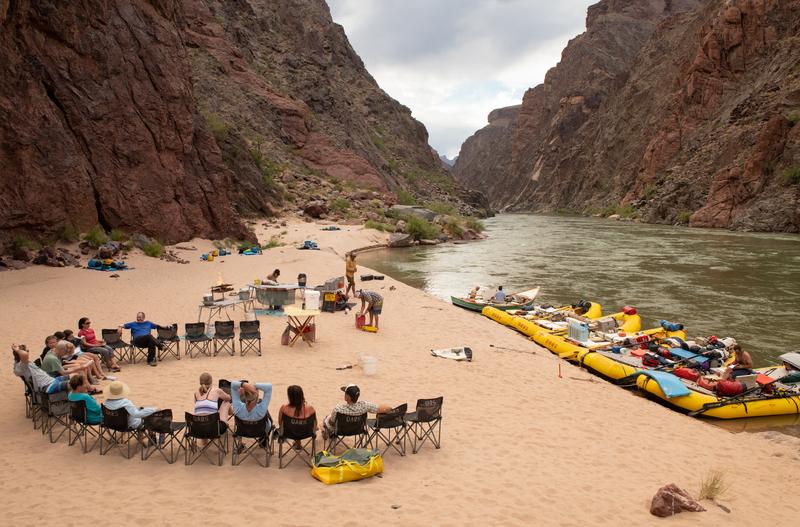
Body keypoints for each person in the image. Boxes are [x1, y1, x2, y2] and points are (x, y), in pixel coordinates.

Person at [322, 384, 390, 439]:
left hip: (341, 431)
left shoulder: (338, 409)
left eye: (345, 393)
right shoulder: (364, 405)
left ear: (348, 397)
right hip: (358, 429)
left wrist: (327, 419)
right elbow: (384, 409)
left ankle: (326, 433)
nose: (344, 394)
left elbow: (331, 423)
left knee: (326, 420)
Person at [279, 385, 316, 450]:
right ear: (302, 395)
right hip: (306, 433)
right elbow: (314, 425)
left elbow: (280, 423)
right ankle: (298, 442)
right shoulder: (310, 409)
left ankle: (297, 441)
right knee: (300, 426)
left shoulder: (284, 408)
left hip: (289, 433)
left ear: (289, 397)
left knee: (294, 426)